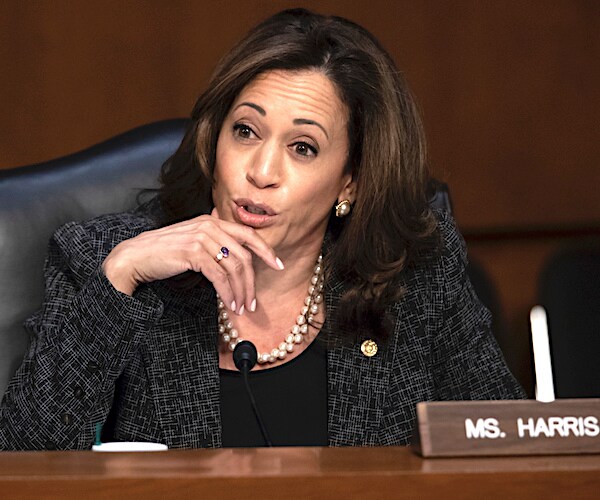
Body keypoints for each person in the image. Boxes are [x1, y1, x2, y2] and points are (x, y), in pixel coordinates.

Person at [0, 8, 525, 450]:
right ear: (213, 141)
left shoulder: (414, 275)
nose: (261, 172)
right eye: (246, 131)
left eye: (303, 148)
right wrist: (120, 277)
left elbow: (512, 447)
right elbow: (20, 457)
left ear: (351, 182)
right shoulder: (104, 259)